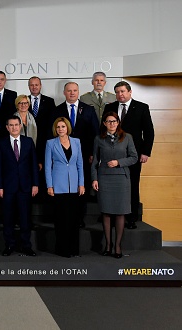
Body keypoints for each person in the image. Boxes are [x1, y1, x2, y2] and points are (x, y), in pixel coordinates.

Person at [104, 81, 154, 229]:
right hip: (112, 154)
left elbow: (149, 132)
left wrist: (145, 152)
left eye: (123, 91)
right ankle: (112, 216)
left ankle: (131, 218)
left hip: (134, 155)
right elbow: (103, 130)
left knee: (131, 185)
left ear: (130, 92)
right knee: (113, 186)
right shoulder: (110, 107)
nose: (120, 94)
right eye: (117, 92)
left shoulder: (141, 107)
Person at [91, 112, 138, 258]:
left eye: (114, 121)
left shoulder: (127, 137)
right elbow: (94, 161)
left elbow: (134, 157)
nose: (112, 124)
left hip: (121, 178)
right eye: (108, 121)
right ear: (104, 123)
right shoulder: (99, 139)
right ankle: (108, 245)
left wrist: (119, 162)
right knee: (106, 212)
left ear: (118, 123)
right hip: (104, 178)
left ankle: (117, 246)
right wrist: (94, 179)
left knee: (120, 212)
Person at [54, 82, 99, 227]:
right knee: (65, 187)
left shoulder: (88, 110)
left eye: (75, 90)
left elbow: (95, 133)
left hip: (84, 155)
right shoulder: (57, 110)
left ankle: (79, 218)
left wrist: (93, 153)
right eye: (69, 91)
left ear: (78, 92)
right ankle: (66, 217)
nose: (72, 93)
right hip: (62, 155)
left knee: (81, 186)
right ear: (64, 92)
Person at [0, 115, 39, 257]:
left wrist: (35, 184)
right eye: (11, 125)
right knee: (8, 218)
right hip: (7, 187)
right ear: (7, 127)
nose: (14, 127)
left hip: (25, 186)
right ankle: (9, 245)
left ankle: (26, 246)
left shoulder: (28, 142)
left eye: (16, 125)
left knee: (25, 218)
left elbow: (33, 164)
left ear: (20, 126)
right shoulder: (1, 143)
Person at [45, 117, 85, 258]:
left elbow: (80, 164)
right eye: (58, 127)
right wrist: (49, 185)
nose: (60, 129)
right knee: (61, 220)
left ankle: (74, 249)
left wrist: (81, 184)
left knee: (74, 220)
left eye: (63, 126)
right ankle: (63, 250)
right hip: (58, 186)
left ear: (67, 127)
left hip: (74, 186)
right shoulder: (50, 143)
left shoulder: (76, 142)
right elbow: (48, 166)